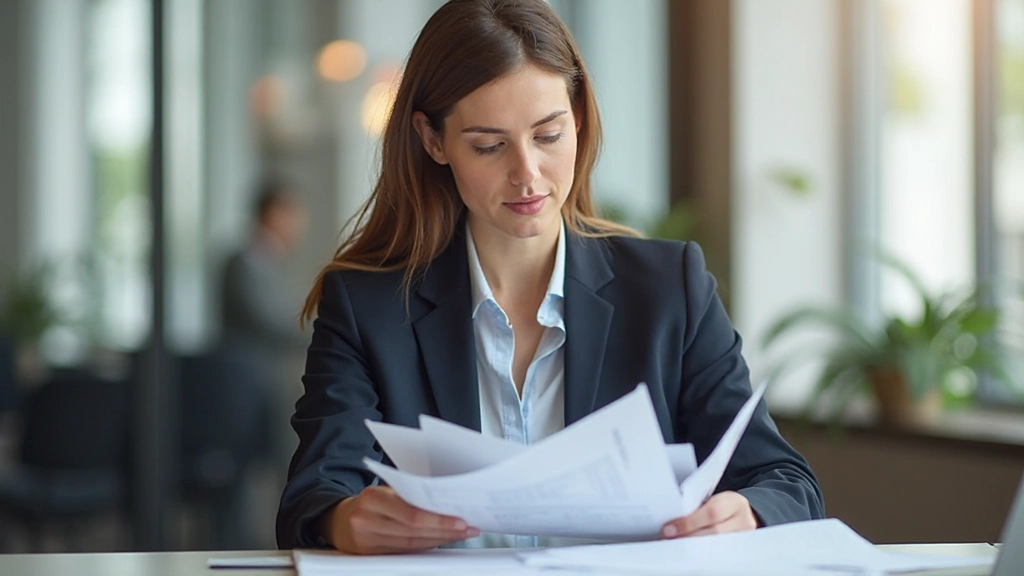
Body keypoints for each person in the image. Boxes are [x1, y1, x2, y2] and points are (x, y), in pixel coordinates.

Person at [277, 0, 823, 554]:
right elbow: (314, 493)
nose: (527, 174)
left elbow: (785, 482)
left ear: (578, 117)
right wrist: (343, 520)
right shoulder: (367, 306)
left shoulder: (668, 289)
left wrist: (748, 513)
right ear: (433, 140)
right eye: (489, 146)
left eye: (548, 135)